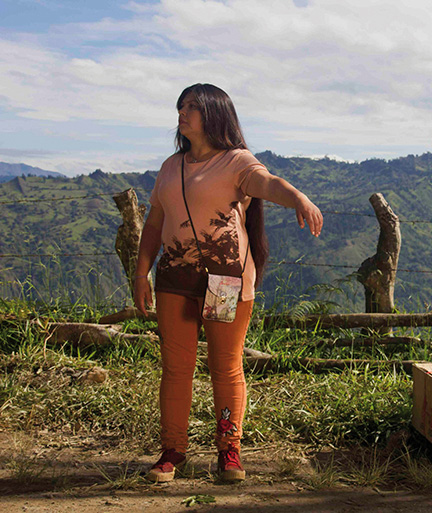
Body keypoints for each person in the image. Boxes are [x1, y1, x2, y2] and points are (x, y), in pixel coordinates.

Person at [133, 83, 323, 483]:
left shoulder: (237, 161)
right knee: (176, 367)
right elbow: (154, 224)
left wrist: (298, 198)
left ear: (214, 114)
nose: (182, 113)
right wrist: (141, 272)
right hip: (174, 281)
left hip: (225, 284)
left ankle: (229, 451)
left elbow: (267, 183)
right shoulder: (170, 167)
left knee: (225, 366)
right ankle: (172, 451)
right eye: (181, 106)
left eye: (191, 107)